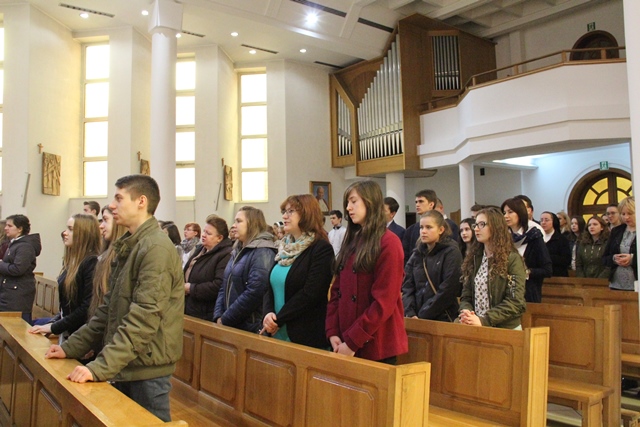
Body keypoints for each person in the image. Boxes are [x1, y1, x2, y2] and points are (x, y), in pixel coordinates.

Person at [45, 174, 184, 423]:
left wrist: (99, 367)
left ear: (141, 201)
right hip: (127, 360)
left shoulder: (155, 248)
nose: (111, 205)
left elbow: (143, 319)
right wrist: (69, 348)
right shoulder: (131, 244)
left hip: (146, 368)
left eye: (119, 198)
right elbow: (106, 310)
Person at [326, 180, 408, 363]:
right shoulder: (353, 240)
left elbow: (384, 302)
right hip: (344, 338)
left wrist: (353, 341)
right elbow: (337, 291)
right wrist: (333, 332)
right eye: (347, 202)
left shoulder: (389, 242)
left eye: (353, 201)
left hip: (375, 341)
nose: (348, 208)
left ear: (370, 202)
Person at [262, 194, 334, 348]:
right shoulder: (284, 248)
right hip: (275, 328)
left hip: (303, 332)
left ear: (306, 214)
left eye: (290, 211)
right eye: (284, 211)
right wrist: (268, 314)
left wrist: (278, 320)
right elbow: (269, 287)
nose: (284, 216)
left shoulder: (321, 249)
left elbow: (311, 293)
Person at [29, 214, 101, 341]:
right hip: (69, 331)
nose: (64, 233)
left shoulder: (91, 262)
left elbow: (86, 308)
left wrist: (54, 327)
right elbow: (66, 308)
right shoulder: (73, 261)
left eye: (71, 229)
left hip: (80, 335)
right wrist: (52, 323)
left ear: (84, 233)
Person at [458, 207, 527, 328]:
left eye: (482, 224)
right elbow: (466, 295)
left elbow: (515, 302)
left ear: (496, 227)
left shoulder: (512, 259)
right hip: (475, 324)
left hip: (504, 328)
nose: (476, 229)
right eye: (475, 225)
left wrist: (485, 320)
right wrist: (466, 313)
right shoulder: (475, 258)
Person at [213, 206, 277, 332]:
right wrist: (218, 315)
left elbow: (255, 292)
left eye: (239, 221)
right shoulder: (237, 250)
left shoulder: (263, 251)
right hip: (231, 323)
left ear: (252, 224)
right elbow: (224, 285)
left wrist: (226, 319)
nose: (233, 225)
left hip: (249, 325)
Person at [402, 210, 462, 321]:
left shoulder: (451, 252)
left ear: (441, 230)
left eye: (429, 227)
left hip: (442, 317)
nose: (423, 231)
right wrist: (410, 311)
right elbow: (408, 285)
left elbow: (449, 288)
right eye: (421, 227)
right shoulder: (417, 253)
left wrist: (423, 314)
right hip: (415, 317)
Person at [501, 198, 552, 303]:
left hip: (528, 292)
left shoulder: (534, 236)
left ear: (520, 213)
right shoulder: (503, 237)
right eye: (504, 213)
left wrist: (525, 272)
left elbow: (547, 270)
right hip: (505, 292)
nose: (506, 216)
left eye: (510, 212)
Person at [184, 215, 233, 321]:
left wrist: (191, 288)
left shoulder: (225, 255)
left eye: (208, 233)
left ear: (219, 238)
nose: (203, 235)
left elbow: (218, 285)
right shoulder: (201, 248)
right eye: (204, 231)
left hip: (205, 311)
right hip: (190, 305)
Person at [0, 215, 42, 323]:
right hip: (10, 294)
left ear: (20, 229)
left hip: (17, 297)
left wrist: (0, 264)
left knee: (17, 326)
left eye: (10, 226)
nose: (6, 228)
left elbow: (18, 269)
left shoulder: (25, 246)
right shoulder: (15, 244)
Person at [603, 197, 637, 290]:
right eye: (623, 214)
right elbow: (605, 257)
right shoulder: (616, 231)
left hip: (636, 284)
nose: (626, 217)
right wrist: (614, 258)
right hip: (616, 284)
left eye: (630, 213)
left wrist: (632, 259)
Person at [402, 189, 438, 264]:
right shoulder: (410, 230)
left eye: (421, 201)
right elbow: (405, 256)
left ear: (431, 204)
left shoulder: (443, 226)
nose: (417, 205)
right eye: (416, 202)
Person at [539, 211, 571, 277]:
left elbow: (566, 260)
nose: (543, 222)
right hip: (540, 275)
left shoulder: (561, 239)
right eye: (541, 220)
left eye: (546, 220)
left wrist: (547, 257)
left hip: (558, 275)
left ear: (553, 222)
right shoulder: (537, 238)